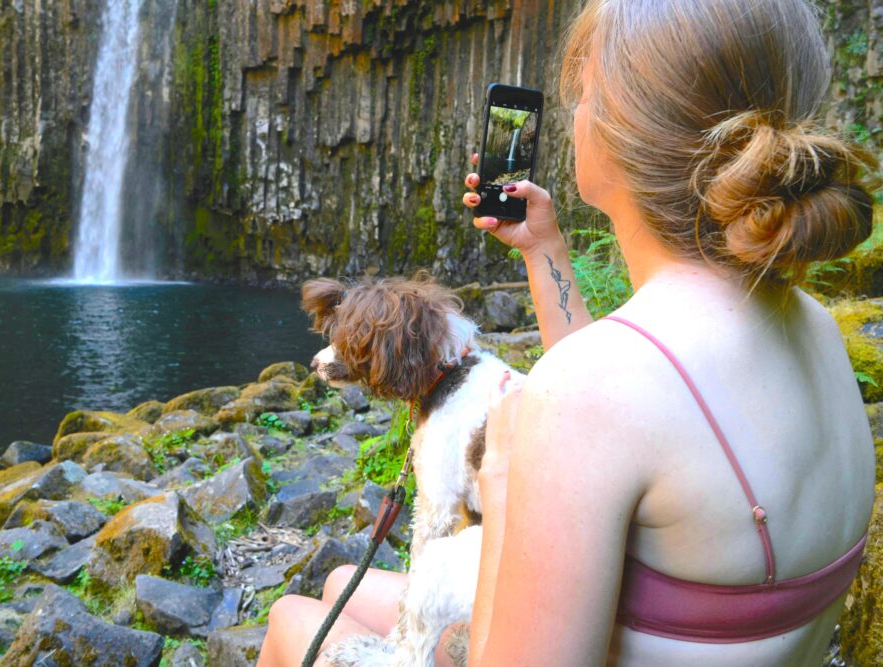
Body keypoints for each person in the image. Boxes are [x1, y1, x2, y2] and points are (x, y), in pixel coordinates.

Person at [257, 0, 879, 664]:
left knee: (296, 618)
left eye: (580, 95)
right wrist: (542, 249)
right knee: (338, 585)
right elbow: (620, 408)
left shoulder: (589, 394)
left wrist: (501, 476)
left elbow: (597, 406)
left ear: (613, 130)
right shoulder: (813, 328)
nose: (571, 114)